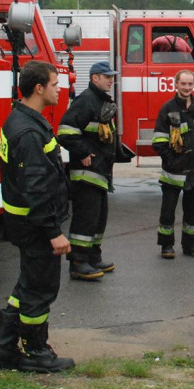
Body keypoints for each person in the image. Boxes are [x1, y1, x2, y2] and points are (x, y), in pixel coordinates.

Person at [0, 61, 74, 372]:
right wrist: (54, 232)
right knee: (40, 290)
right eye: (54, 84)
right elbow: (38, 189)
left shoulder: (19, 120)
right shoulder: (28, 132)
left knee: (27, 285)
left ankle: (3, 350)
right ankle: (37, 352)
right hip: (36, 226)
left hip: (25, 223)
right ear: (39, 88)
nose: (59, 88)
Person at [58, 60, 119, 281]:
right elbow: (65, 132)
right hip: (87, 173)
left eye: (112, 76)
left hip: (100, 171)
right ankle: (78, 262)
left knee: (98, 217)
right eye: (107, 77)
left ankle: (93, 256)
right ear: (95, 78)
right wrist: (83, 153)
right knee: (85, 218)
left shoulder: (100, 100)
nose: (111, 80)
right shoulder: (86, 101)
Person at [151, 69, 194, 259]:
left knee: (193, 211)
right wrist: (170, 160)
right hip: (173, 171)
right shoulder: (167, 108)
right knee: (168, 212)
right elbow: (159, 141)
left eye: (190, 84)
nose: (187, 87)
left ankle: (191, 245)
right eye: (183, 84)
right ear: (176, 84)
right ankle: (166, 246)